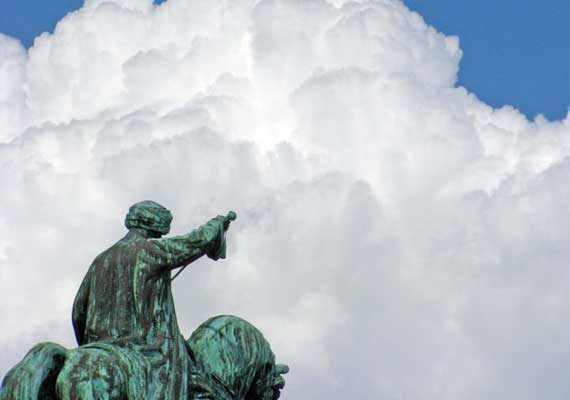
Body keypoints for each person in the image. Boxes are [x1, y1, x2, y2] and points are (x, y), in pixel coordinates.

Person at [69, 200, 233, 399]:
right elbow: (193, 242)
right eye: (159, 234)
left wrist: (90, 345)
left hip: (98, 345)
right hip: (149, 350)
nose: (159, 238)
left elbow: (79, 311)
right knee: (200, 390)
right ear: (152, 226)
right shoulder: (149, 251)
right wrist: (217, 224)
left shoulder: (101, 259)